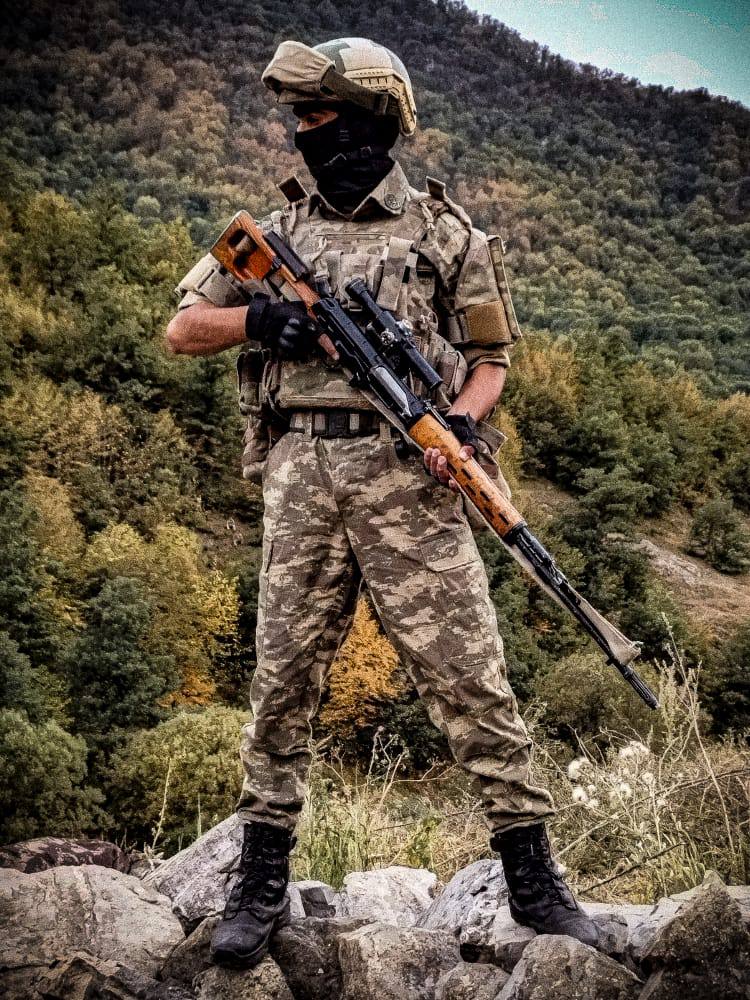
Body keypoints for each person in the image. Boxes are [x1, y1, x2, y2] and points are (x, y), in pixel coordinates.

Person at [165, 37, 599, 967]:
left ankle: (534, 882)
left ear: (374, 122)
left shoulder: (447, 233)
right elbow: (182, 327)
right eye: (301, 119)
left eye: (321, 117)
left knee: (470, 678)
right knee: (282, 685)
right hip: (302, 474)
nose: (305, 132)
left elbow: (490, 362)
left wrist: (461, 428)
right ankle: (257, 883)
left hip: (412, 478)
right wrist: (261, 319)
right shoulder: (276, 231)